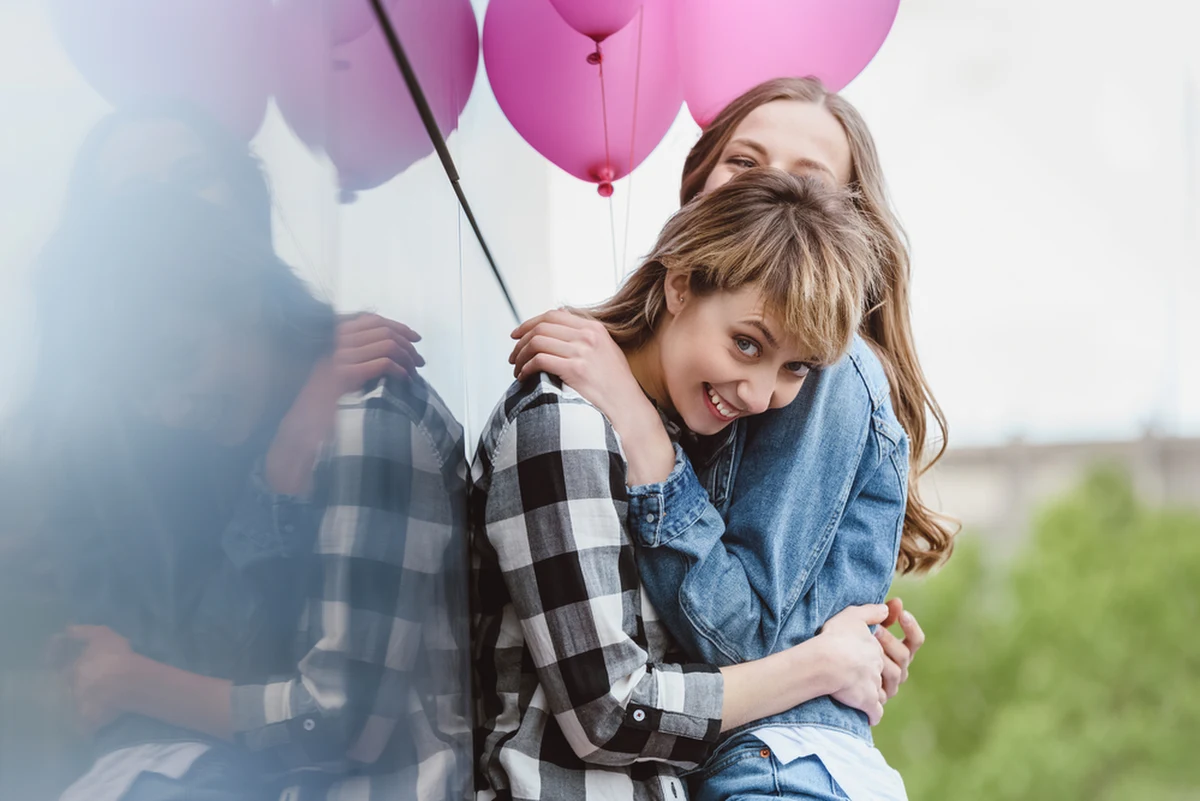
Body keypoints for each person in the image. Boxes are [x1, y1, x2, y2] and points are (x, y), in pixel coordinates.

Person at [508, 76, 957, 800]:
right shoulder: (635, 405)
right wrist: (831, 659)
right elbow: (628, 680)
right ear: (699, 188)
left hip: (776, 765)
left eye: (809, 184)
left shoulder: (828, 374)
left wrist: (647, 443)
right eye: (745, 164)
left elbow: (744, 638)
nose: (770, 194)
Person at [12, 183, 470, 801]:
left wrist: (133, 682)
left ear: (248, 301)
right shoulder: (275, 441)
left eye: (179, 359)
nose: (172, 409)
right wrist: (283, 466)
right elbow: (235, 661)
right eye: (143, 393)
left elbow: (340, 722)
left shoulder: (365, 420)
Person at [472, 168, 892, 801]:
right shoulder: (565, 425)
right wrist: (821, 666)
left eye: (795, 367)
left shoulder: (680, 449)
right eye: (747, 344)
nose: (760, 395)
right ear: (679, 285)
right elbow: (609, 714)